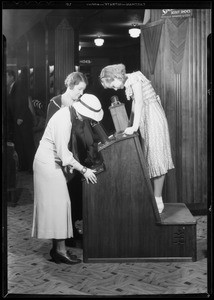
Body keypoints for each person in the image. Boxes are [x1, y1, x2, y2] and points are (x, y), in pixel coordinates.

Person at [31, 95, 104, 265]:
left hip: (52, 163)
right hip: (47, 164)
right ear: (81, 112)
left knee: (60, 206)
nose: (86, 120)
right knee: (60, 206)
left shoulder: (68, 114)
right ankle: (60, 252)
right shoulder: (64, 119)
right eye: (87, 117)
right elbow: (65, 155)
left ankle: (58, 249)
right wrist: (84, 170)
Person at [99, 64, 174, 213]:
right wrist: (129, 124)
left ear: (115, 77)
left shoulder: (134, 78)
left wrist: (134, 126)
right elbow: (134, 105)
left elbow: (139, 102)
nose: (114, 89)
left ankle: (158, 199)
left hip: (153, 116)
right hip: (146, 119)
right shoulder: (129, 82)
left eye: (112, 85)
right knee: (151, 158)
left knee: (157, 157)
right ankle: (155, 197)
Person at [45, 72, 103, 245]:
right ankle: (64, 238)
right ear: (70, 86)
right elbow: (52, 133)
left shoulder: (80, 104)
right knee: (64, 197)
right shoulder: (55, 103)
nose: (81, 93)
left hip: (78, 155)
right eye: (79, 89)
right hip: (62, 156)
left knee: (76, 196)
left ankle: (73, 230)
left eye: (83, 89)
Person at [6, 68, 35, 172]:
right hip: (17, 121)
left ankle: (32, 168)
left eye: (6, 76)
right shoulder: (11, 87)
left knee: (27, 144)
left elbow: (23, 101)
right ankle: (24, 166)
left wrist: (20, 117)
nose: (5, 79)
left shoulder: (18, 85)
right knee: (20, 144)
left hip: (22, 120)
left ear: (11, 76)